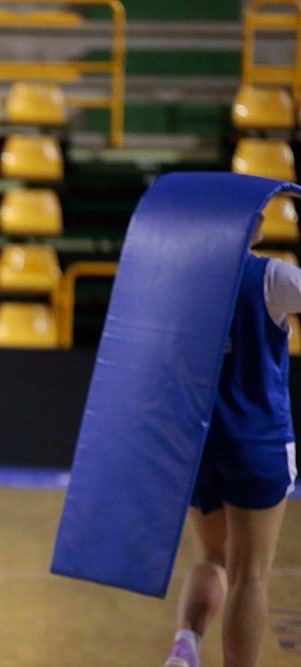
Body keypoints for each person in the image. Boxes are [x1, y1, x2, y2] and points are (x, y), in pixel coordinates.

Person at [163, 226, 300, 667]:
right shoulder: (272, 276)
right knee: (250, 576)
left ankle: (185, 646)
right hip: (255, 441)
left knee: (210, 557)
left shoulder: (177, 275)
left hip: (196, 439)